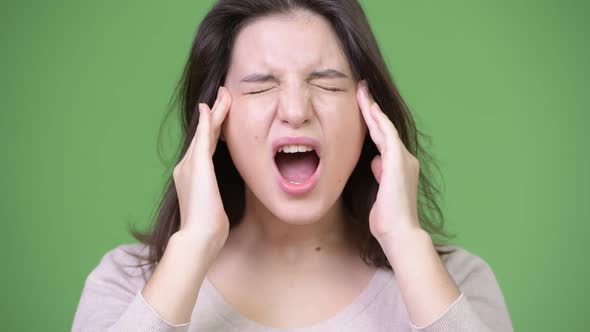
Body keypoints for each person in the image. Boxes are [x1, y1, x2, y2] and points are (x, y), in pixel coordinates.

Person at [72, 0, 513, 331]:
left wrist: (405, 240)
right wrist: (192, 245)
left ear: (369, 116)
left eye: (326, 84)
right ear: (216, 121)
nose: (296, 110)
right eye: (261, 87)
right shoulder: (127, 283)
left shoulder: (455, 282)